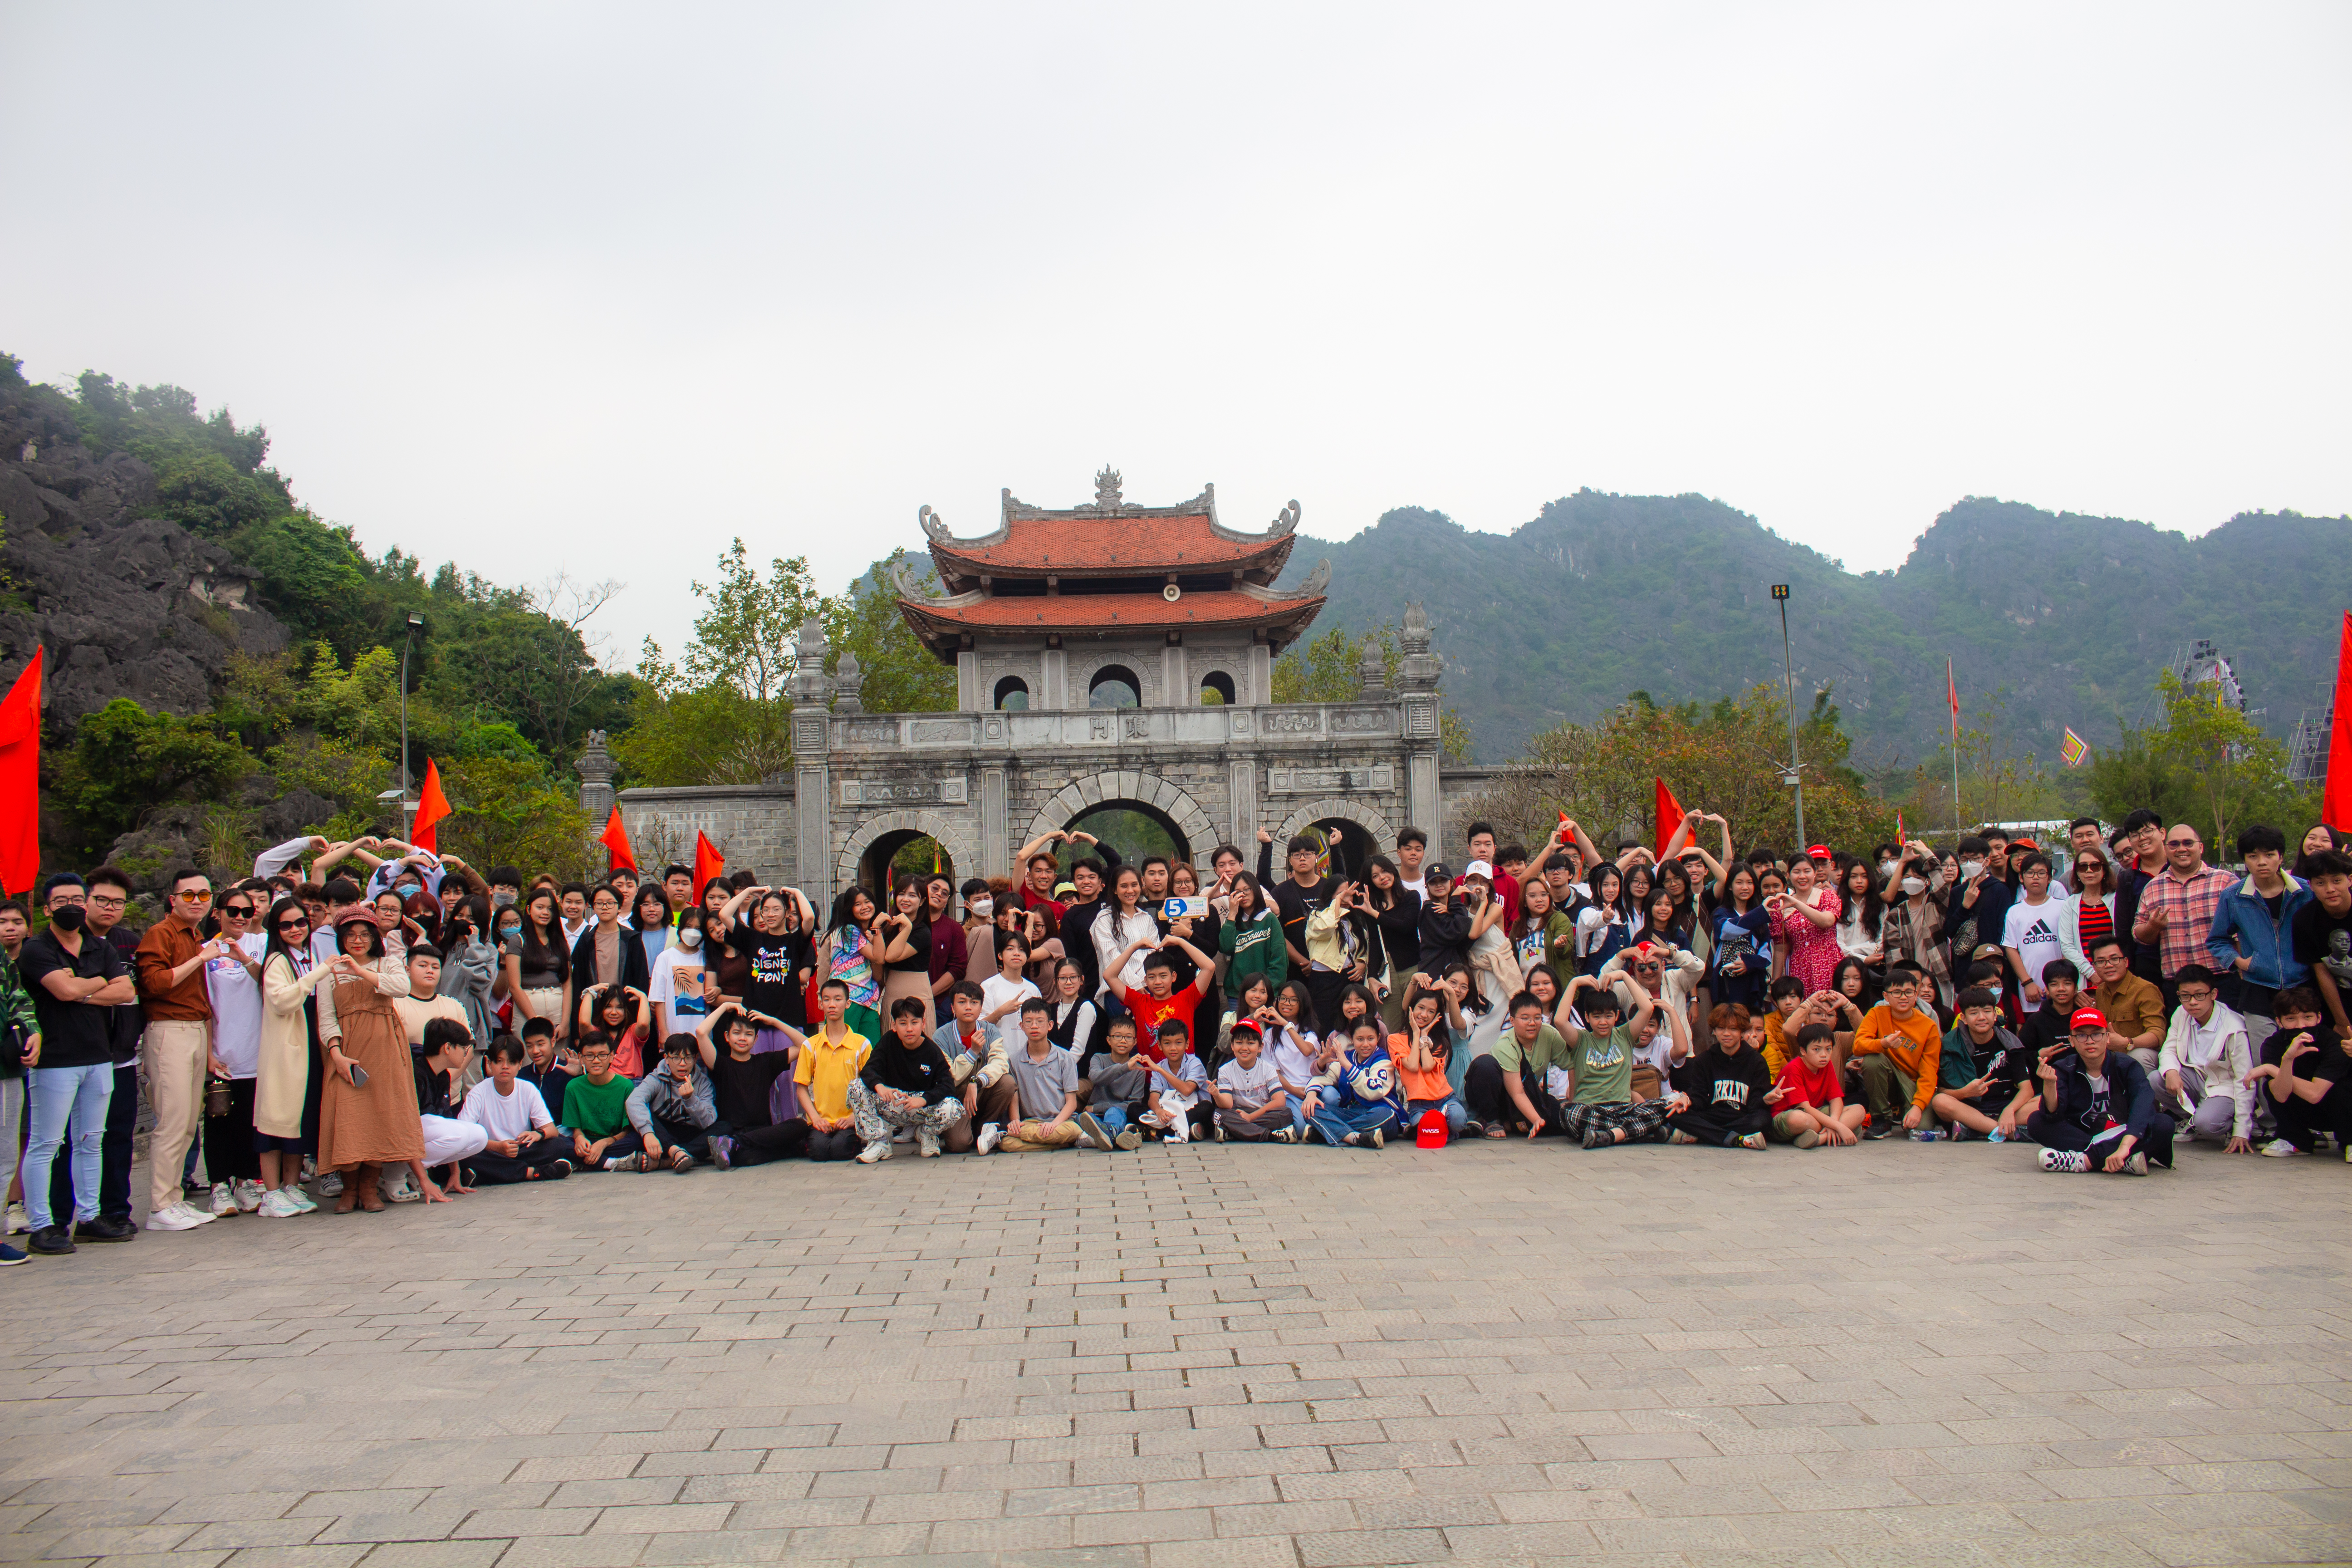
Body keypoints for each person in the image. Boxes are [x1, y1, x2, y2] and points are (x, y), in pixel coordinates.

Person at [17, 874, 138, 1254]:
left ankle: (89, 1218)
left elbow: (127, 991)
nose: (69, 906)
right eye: (60, 900)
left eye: (76, 899)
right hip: (54, 1059)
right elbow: (63, 989)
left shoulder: (97, 946)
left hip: (99, 1056)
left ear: (85, 904)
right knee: (47, 1143)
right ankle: (42, 1225)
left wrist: (84, 987)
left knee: (92, 1140)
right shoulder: (36, 949)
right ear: (47, 908)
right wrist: (97, 984)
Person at [316, 911, 435, 1213]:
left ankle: (370, 1189)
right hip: (347, 1052)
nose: (358, 940)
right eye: (351, 935)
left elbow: (402, 987)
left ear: (374, 937)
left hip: (384, 1048)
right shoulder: (329, 970)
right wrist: (336, 1053)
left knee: (379, 1115)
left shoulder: (388, 963)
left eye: (364, 934)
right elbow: (326, 1018)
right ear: (341, 938)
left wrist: (359, 970)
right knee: (349, 1119)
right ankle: (350, 1189)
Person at [131, 868, 229, 1232]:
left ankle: (173, 1198)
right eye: (189, 895)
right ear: (172, 899)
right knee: (172, 1122)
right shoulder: (161, 934)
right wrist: (202, 959)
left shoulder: (194, 935)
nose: (198, 901)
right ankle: (160, 1204)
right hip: (169, 1030)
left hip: (194, 1031)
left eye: (204, 896)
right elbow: (154, 983)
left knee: (189, 1123)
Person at [2205, 824, 2310, 1057]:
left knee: (2307, 1055)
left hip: (2302, 986)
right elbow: (2217, 940)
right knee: (2266, 1059)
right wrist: (2241, 963)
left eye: (2269, 855)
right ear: (2245, 860)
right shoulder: (2233, 896)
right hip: (2258, 991)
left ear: (2281, 857)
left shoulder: (2304, 892)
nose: (2262, 862)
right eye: (2253, 856)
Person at [2029, 1008, 2172, 1174]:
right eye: (2081, 1035)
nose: (2090, 1041)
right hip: (2086, 1133)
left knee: (2164, 1124)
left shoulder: (2127, 1066)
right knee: (2036, 1121)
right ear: (2072, 1040)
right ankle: (2121, 1162)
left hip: (2124, 1132)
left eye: (2097, 1034)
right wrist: (2049, 1084)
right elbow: (2053, 1115)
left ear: (2108, 1038)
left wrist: (2125, 1147)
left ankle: (2084, 1161)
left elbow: (2143, 1104)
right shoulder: (2064, 1068)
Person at [1555, 973, 1679, 1150]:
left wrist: (1623, 976)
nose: (1603, 1022)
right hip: (1592, 1110)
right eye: (1597, 1017)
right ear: (1587, 1017)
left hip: (1623, 1109)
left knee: (1664, 1106)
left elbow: (1647, 1009)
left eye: (1608, 1016)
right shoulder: (1581, 1040)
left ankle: (1611, 1136)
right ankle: (1635, 1133)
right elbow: (1560, 1021)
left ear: (1617, 1016)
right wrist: (1575, 982)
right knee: (1569, 1112)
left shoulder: (1625, 1035)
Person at [845, 996, 964, 1162]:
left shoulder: (932, 1050)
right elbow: (869, 1070)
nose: (909, 1029)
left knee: (954, 1107)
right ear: (894, 1025)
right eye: (903, 1023)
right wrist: (880, 1086)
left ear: (923, 1023)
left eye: (914, 1023)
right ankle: (879, 1143)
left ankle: (926, 1134)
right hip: (892, 1103)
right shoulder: (888, 1042)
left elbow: (948, 1085)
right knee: (856, 1086)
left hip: (920, 1107)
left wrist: (923, 1100)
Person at [2131, 823, 2235, 1007]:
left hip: (2223, 981)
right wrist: (2153, 928)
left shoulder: (2225, 881)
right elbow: (2139, 935)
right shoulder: (2153, 888)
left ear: (2201, 847)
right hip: (2178, 987)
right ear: (2166, 849)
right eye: (2174, 844)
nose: (2181, 849)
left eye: (2188, 843)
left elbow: (2242, 933)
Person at [2154, 964, 2255, 1153]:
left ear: (2213, 994)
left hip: (2223, 1086)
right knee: (2155, 1079)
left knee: (2208, 1125)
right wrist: (2171, 1071)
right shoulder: (2182, 1013)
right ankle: (2192, 1120)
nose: (2192, 1002)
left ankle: (2228, 1123)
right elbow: (2169, 1048)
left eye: (2200, 995)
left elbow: (2244, 1079)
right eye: (2186, 996)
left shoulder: (2233, 1027)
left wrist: (2242, 1129)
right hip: (2195, 1078)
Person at [695, 1004, 809, 1168]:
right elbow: (701, 1032)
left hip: (762, 1133)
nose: (742, 1038)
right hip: (731, 1131)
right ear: (727, 1036)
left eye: (749, 1034)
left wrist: (774, 1022)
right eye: (737, 1033)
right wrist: (725, 1006)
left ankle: (734, 1145)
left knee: (800, 1125)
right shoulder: (720, 1064)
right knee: (746, 1158)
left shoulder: (765, 1062)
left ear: (756, 1039)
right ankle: (785, 1149)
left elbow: (805, 1045)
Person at [2247, 987, 2352, 1157]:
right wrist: (2287, 1060)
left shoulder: (2333, 1042)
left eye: (2308, 1017)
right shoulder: (2273, 1045)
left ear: (2319, 1017)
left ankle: (2350, 1142)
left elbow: (2315, 1094)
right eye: (2291, 1019)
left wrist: (2272, 1069)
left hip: (2340, 1113)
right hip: (2303, 1112)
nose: (2301, 1026)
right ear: (2279, 1022)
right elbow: (2280, 1096)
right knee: (2272, 1086)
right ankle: (2295, 1141)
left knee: (2344, 1087)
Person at [1928, 986, 2038, 1142]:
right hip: (1970, 1110)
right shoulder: (1950, 1046)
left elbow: (2027, 1090)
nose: (1981, 1017)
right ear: (1963, 1018)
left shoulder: (2011, 1042)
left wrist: (2010, 1110)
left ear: (1995, 1015)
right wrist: (1966, 1092)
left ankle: (1977, 1131)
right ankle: (2007, 1133)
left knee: (2044, 1101)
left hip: (2007, 1108)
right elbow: (1943, 1092)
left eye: (1987, 1011)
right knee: (1940, 1102)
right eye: (1974, 1013)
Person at [458, 1036, 570, 1182]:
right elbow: (464, 1136)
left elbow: (552, 1130)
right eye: (499, 1061)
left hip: (520, 1149)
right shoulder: (478, 1093)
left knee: (558, 1145)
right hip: (491, 1150)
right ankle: (531, 1173)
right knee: (466, 1155)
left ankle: (485, 1175)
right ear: (489, 1064)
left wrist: (538, 1135)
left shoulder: (527, 1089)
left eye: (511, 1062)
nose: (505, 1067)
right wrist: (497, 1147)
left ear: (520, 1065)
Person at [1849, 962, 1942, 1137]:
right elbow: (1858, 1046)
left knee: (1921, 1127)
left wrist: (1918, 1106)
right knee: (1872, 1060)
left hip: (1912, 1082)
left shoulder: (1928, 1026)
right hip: (1887, 1075)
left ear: (1916, 994)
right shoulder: (1877, 1014)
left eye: (1909, 992)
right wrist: (1883, 1044)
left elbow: (1929, 1071)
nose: (1903, 998)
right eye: (1897, 993)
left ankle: (1906, 1110)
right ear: (1886, 996)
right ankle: (1882, 1119)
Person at [1666, 1000, 1773, 1148]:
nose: (1727, 1034)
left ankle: (1703, 1135)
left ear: (1742, 1032)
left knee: (1763, 1120)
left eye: (1733, 1029)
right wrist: (1687, 1100)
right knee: (1676, 1115)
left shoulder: (1757, 1062)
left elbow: (1756, 1106)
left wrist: (1766, 1099)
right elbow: (1700, 1097)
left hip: (1742, 1116)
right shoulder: (1705, 1059)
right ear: (1714, 1031)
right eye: (1721, 1028)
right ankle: (1737, 1140)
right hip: (1713, 1115)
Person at [1465, 991, 1571, 1138]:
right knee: (1485, 1064)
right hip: (1500, 1098)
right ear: (1513, 1021)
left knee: (1563, 1122)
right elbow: (1517, 1093)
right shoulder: (1506, 1045)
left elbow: (1573, 1064)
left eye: (1538, 1018)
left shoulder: (1549, 1034)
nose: (1532, 1023)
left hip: (1526, 1095)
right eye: (1525, 1018)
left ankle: (1509, 1125)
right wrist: (1536, 1120)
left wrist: (1575, 1100)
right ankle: (1492, 1120)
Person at [794, 977, 872, 1161]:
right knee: (819, 1152)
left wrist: (855, 1117)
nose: (832, 1005)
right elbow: (801, 1088)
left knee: (840, 1151)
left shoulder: (861, 1044)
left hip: (850, 1121)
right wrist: (815, 1118)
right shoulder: (810, 1045)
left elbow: (872, 1086)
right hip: (821, 1121)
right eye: (827, 999)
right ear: (820, 1004)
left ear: (848, 1003)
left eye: (838, 999)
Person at [409, 1017, 487, 1195]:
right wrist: (424, 1180)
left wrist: (456, 1173)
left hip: (420, 1140)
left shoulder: (444, 1076)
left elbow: (446, 1120)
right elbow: (406, 1129)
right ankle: (399, 1173)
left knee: (479, 1135)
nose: (466, 1054)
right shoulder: (415, 1074)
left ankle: (411, 1171)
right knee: (458, 1132)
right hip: (403, 1143)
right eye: (464, 1049)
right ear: (447, 1048)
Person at [1107, 933, 1215, 1060]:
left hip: (1183, 1075)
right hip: (1150, 1077)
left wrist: (1180, 941)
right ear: (1146, 980)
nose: (1158, 982)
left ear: (1173, 977)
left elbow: (1210, 967)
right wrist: (1134, 947)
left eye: (1163, 976)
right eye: (1152, 977)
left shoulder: (1186, 999)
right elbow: (1109, 976)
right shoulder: (1139, 1002)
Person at [993, 998, 1082, 1151]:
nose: (1034, 1026)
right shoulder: (1014, 1061)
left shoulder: (1065, 1058)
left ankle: (1030, 1138)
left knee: (1073, 1130)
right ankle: (1063, 1144)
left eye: (1040, 1021)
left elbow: (1072, 1103)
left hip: (1061, 1121)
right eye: (1029, 1022)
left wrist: (1054, 1124)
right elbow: (1014, 1100)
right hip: (1031, 1122)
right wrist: (1015, 1122)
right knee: (1006, 1143)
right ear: (1021, 1026)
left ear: (1050, 1025)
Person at [1304, 1018, 1402, 1148]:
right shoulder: (1348, 1056)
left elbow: (1374, 1092)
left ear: (1378, 1038)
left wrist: (1347, 1065)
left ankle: (1328, 1131)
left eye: (1371, 1039)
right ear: (1352, 1039)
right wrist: (1311, 1094)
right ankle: (1355, 1138)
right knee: (1311, 1110)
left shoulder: (1383, 1060)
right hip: (1351, 1112)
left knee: (1384, 1115)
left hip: (1378, 1114)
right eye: (1360, 1039)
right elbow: (1324, 1077)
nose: (1366, 1044)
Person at [1769, 1023, 1866, 1147]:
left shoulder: (1827, 1065)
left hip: (1815, 1114)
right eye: (1817, 1049)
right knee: (1798, 1118)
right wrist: (1838, 1126)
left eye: (1828, 1049)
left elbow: (1836, 1099)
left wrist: (1834, 1122)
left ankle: (1820, 1139)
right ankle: (1843, 1130)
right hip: (1790, 1116)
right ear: (1803, 1051)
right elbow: (1805, 1108)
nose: (1824, 1055)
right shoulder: (1794, 1068)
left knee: (1859, 1110)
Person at [1388, 988, 1465, 1141]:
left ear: (1437, 1016)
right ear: (1412, 1008)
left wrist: (1424, 1036)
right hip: (1418, 1104)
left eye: (1431, 1011)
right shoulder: (1395, 1039)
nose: (1424, 1015)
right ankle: (1443, 1132)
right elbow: (1413, 1066)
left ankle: (1439, 1130)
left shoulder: (1439, 1041)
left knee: (1457, 1121)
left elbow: (1428, 1066)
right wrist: (1416, 1034)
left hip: (1445, 1099)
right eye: (1421, 1008)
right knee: (1426, 1126)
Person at [2293, 849, 2352, 1035]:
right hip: (2337, 1003)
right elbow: (2322, 972)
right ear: (2310, 885)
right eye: (2320, 883)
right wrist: (2342, 1023)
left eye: (2337, 881)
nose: (2330, 889)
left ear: (2350, 880)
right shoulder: (2304, 920)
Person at [2000, 854, 2067, 1015]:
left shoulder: (2063, 907)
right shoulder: (2014, 912)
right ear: (2021, 878)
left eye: (2041, 873)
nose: (2035, 877)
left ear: (2050, 878)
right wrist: (2027, 982)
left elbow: (2070, 947)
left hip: (2062, 989)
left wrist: (2058, 982)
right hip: (2030, 992)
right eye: (2030, 873)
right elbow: (2011, 949)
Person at [2085, 937, 2166, 1068]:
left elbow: (2158, 1034)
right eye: (2101, 961)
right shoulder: (2100, 992)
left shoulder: (2145, 989)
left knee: (2138, 1056)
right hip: (2111, 1054)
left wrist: (2127, 1043)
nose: (2108, 965)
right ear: (2094, 967)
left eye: (2114, 959)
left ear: (2126, 962)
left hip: (2140, 1051)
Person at [1127, 1018, 1212, 1144]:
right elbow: (1153, 1099)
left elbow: (1187, 1090)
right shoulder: (1159, 1067)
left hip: (1190, 1111)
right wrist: (1159, 1111)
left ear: (1187, 1044)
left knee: (1207, 1108)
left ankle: (1154, 1132)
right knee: (1133, 1109)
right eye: (1167, 1043)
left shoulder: (1194, 1063)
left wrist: (1160, 1071)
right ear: (1160, 1046)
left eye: (1179, 1043)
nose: (1173, 1048)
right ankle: (1183, 1132)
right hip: (1168, 1113)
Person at [1769, 850, 1842, 995]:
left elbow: (1827, 921)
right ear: (1789, 875)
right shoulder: (1780, 906)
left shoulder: (1827, 896)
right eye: (1797, 872)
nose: (1802, 877)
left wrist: (1795, 904)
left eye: (1807, 871)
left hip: (1830, 964)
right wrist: (1775, 982)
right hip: (1800, 968)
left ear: (1814, 873)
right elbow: (1781, 947)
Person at [648, 906, 723, 1039]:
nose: (693, 932)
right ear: (681, 927)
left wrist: (718, 990)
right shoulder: (665, 957)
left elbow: (713, 989)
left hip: (702, 1034)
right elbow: (659, 999)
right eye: (689, 926)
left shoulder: (707, 958)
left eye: (698, 929)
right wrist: (663, 1031)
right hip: (673, 1033)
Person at [1211, 1020, 1292, 1142]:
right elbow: (1228, 1105)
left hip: (1262, 1113)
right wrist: (1217, 1095)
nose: (1245, 1048)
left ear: (1260, 1047)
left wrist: (1251, 1117)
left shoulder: (1268, 1069)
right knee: (1219, 1115)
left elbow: (1280, 1101)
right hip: (1237, 1113)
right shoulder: (1225, 1070)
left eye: (1250, 1043)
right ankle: (1271, 1136)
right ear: (1232, 1046)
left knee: (1286, 1114)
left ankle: (1235, 1132)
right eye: (1239, 1043)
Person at [1081, 1015, 1153, 1150]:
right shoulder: (1099, 1059)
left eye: (1128, 1037)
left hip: (1116, 1114)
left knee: (1113, 1113)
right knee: (1081, 1119)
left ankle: (1105, 1135)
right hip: (1093, 1115)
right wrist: (1124, 1068)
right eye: (1118, 1036)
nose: (1123, 1041)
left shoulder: (1139, 1070)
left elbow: (1133, 1105)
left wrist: (1099, 1108)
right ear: (1109, 1040)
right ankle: (1115, 1136)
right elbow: (1096, 1077)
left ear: (1135, 1042)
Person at [516, 1017, 574, 1126]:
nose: (535, 1051)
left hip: (562, 1132)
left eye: (541, 1044)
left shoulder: (568, 1071)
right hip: (529, 1133)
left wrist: (579, 1076)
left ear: (553, 1042)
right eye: (529, 1046)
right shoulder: (521, 1076)